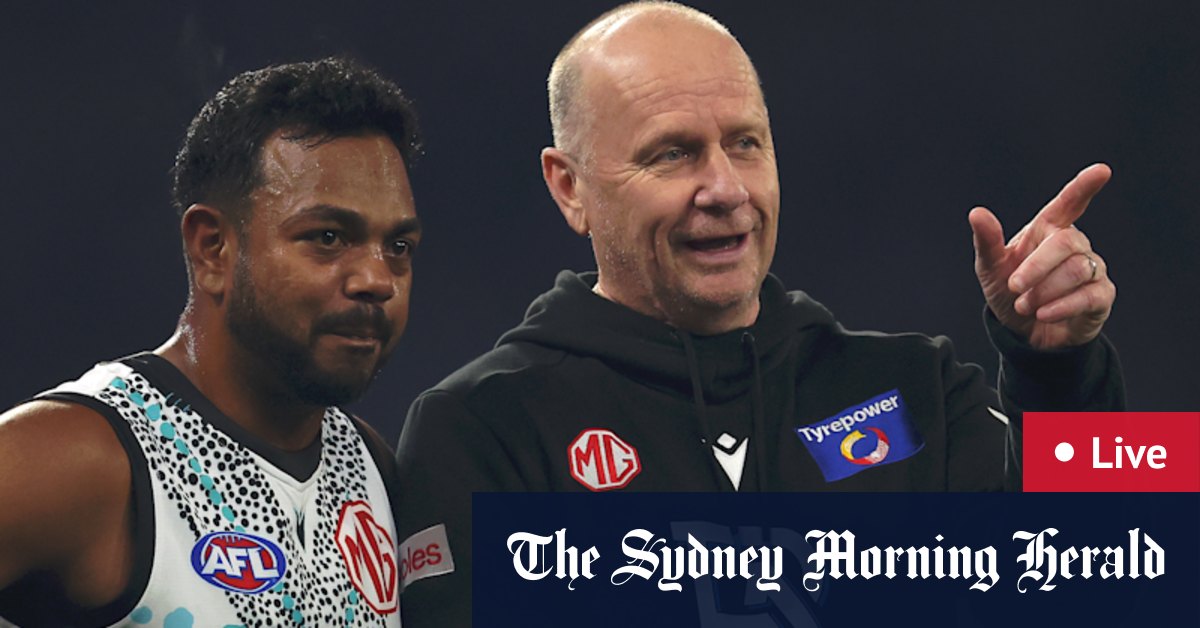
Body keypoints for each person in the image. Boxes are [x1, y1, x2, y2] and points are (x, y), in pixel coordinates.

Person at [393, 2, 1123, 625]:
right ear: (570, 187)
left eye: (745, 143)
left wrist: (1060, 372)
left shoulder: (917, 387)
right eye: (672, 154)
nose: (725, 188)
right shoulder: (483, 428)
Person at [0, 58, 421, 627]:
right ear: (212, 248)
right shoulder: (74, 457)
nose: (376, 278)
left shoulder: (371, 468)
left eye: (398, 246)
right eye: (327, 237)